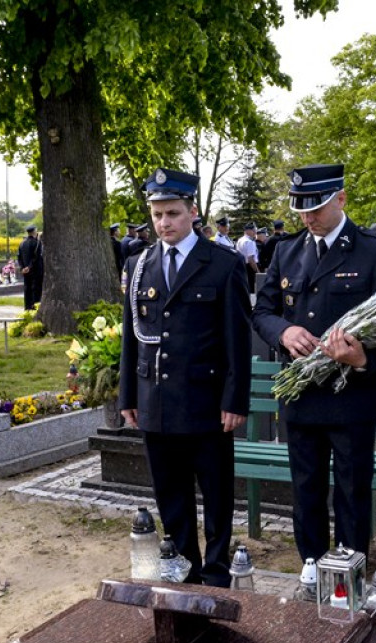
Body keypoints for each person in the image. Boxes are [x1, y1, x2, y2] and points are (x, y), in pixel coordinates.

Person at [252, 163, 376, 563]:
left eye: (316, 208)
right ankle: (313, 568)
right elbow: (263, 310)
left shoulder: (374, 249)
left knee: (352, 492)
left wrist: (362, 356)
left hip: (352, 396)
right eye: (301, 209)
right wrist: (283, 332)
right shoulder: (287, 250)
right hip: (301, 398)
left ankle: (350, 574)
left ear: (341, 199)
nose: (307, 218)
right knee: (306, 490)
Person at [119, 168, 252, 587]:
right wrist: (128, 394)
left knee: (215, 497)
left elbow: (237, 340)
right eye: (157, 214)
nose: (164, 223)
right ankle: (183, 572)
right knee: (171, 497)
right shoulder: (139, 265)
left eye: (172, 213)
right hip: (155, 401)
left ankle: (216, 575)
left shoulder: (222, 264)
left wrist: (235, 399)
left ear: (193, 212)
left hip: (205, 403)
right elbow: (130, 336)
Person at [17, 225, 43, 310]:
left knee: (27, 289)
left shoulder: (22, 243)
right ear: (34, 232)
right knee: (36, 290)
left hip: (25, 271)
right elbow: (36, 257)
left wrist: (22, 268)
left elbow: (19, 257)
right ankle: (34, 308)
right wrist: (29, 266)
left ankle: (27, 307)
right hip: (35, 270)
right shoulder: (37, 243)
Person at [236, 222, 260, 292]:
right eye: (253, 230)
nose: (255, 232)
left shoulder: (240, 240)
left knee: (245, 288)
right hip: (250, 268)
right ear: (247, 231)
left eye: (255, 229)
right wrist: (258, 272)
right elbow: (251, 260)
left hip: (242, 266)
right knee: (252, 288)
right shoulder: (249, 242)